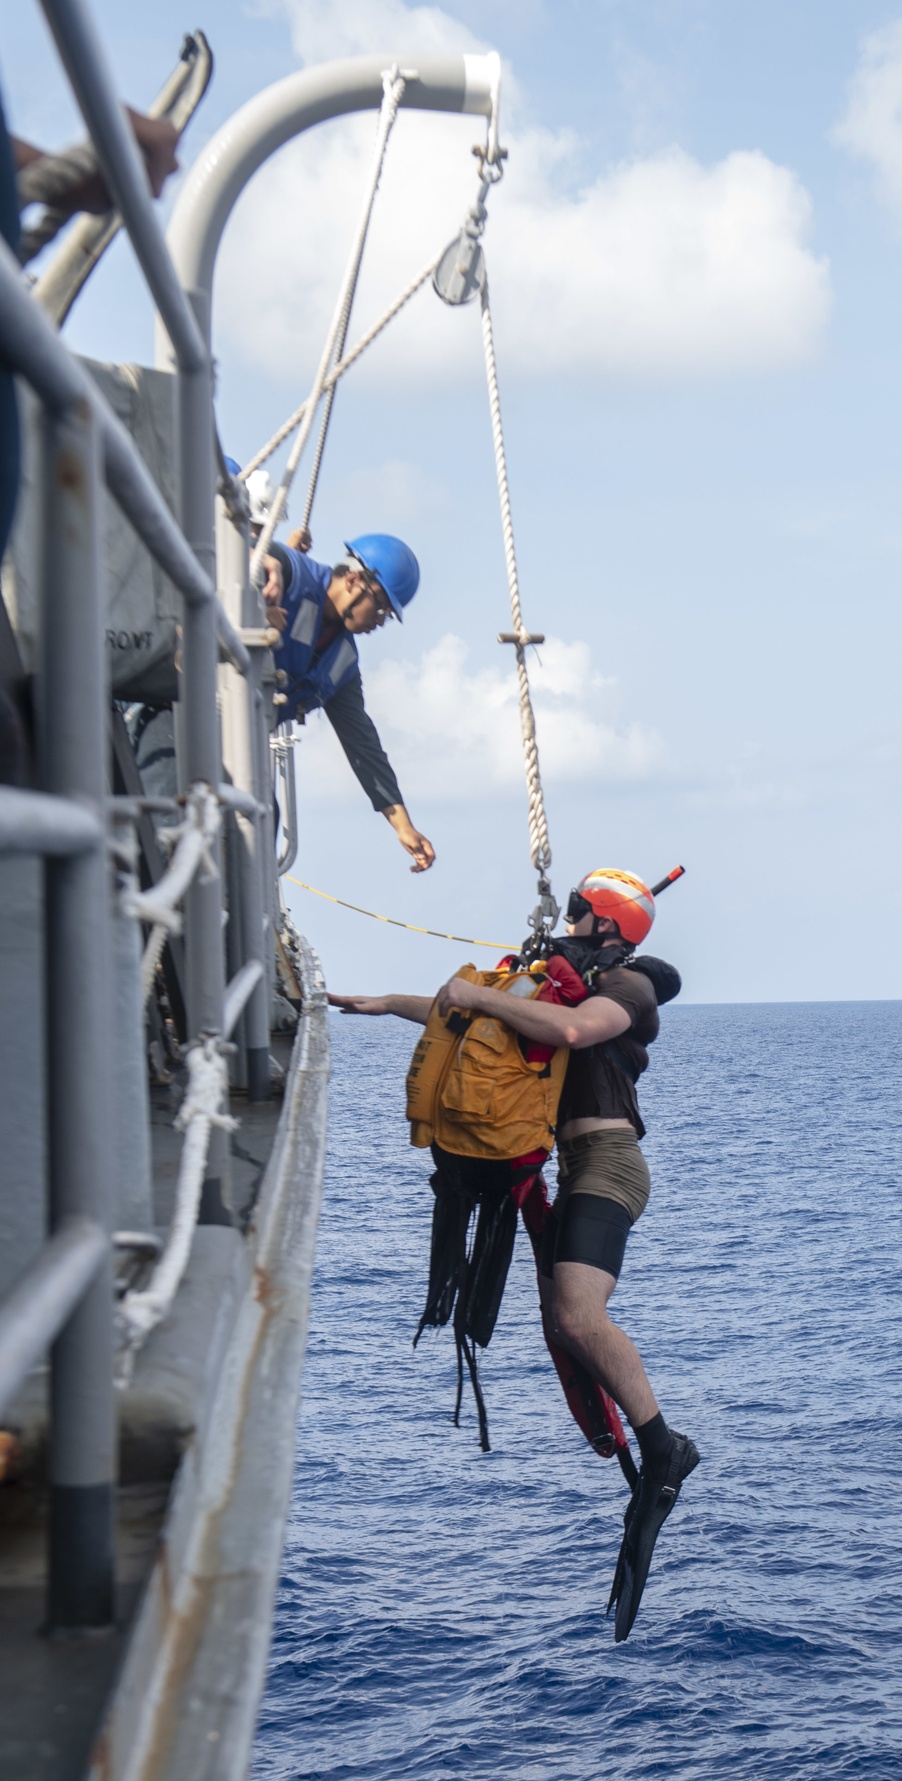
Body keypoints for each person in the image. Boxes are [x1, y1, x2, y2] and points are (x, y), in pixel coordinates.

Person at [329, 867, 699, 1640]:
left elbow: (568, 1033)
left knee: (575, 1311)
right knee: (562, 1324)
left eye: (575, 909)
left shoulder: (627, 989)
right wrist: (379, 1004)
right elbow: (482, 1021)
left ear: (604, 923)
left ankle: (665, 1448)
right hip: (572, 1167)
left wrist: (467, 995)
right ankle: (649, 1449)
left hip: (610, 1164)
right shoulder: (557, 982)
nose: (563, 917)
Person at [261, 529, 435, 873]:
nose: (380, 621)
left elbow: (362, 744)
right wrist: (267, 563)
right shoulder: (296, 575)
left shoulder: (341, 663)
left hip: (241, 747)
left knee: (262, 818)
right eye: (381, 607)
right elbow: (248, 551)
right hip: (188, 713)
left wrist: (402, 825)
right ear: (354, 580)